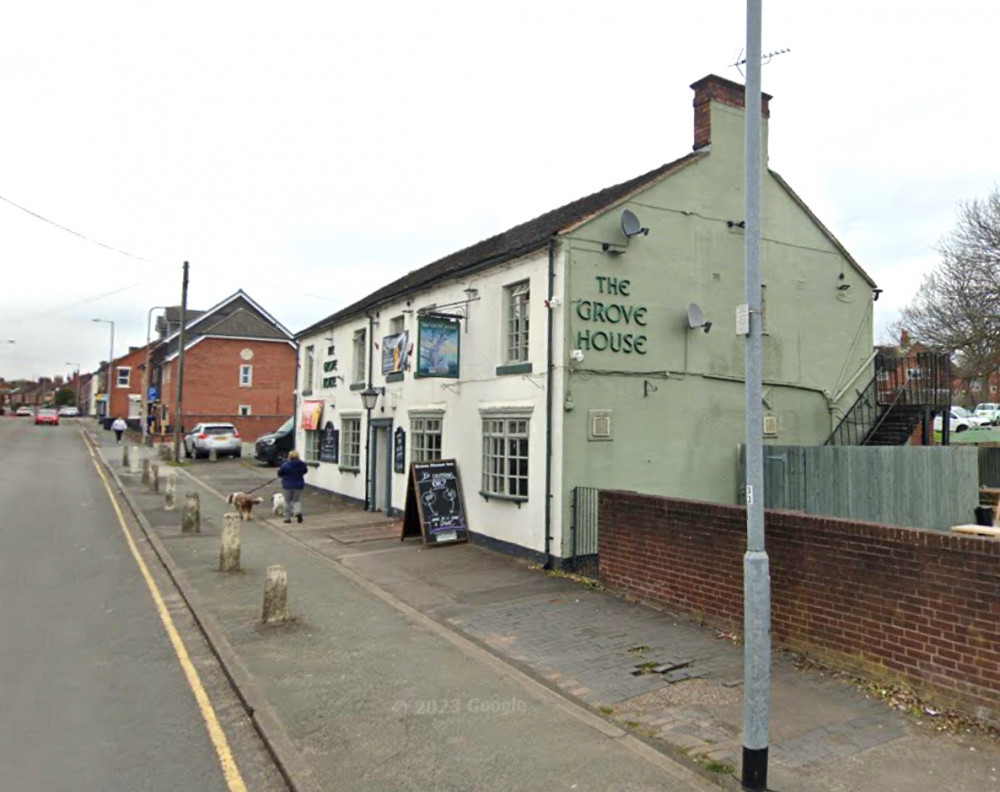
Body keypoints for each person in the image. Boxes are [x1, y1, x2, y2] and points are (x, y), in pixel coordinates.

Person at [277, 450, 308, 523]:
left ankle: (287, 518)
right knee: (296, 501)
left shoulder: (285, 465)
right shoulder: (302, 464)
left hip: (288, 485)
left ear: (289, 456)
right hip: (298, 485)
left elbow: (280, 473)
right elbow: (305, 471)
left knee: (287, 502)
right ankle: (298, 512)